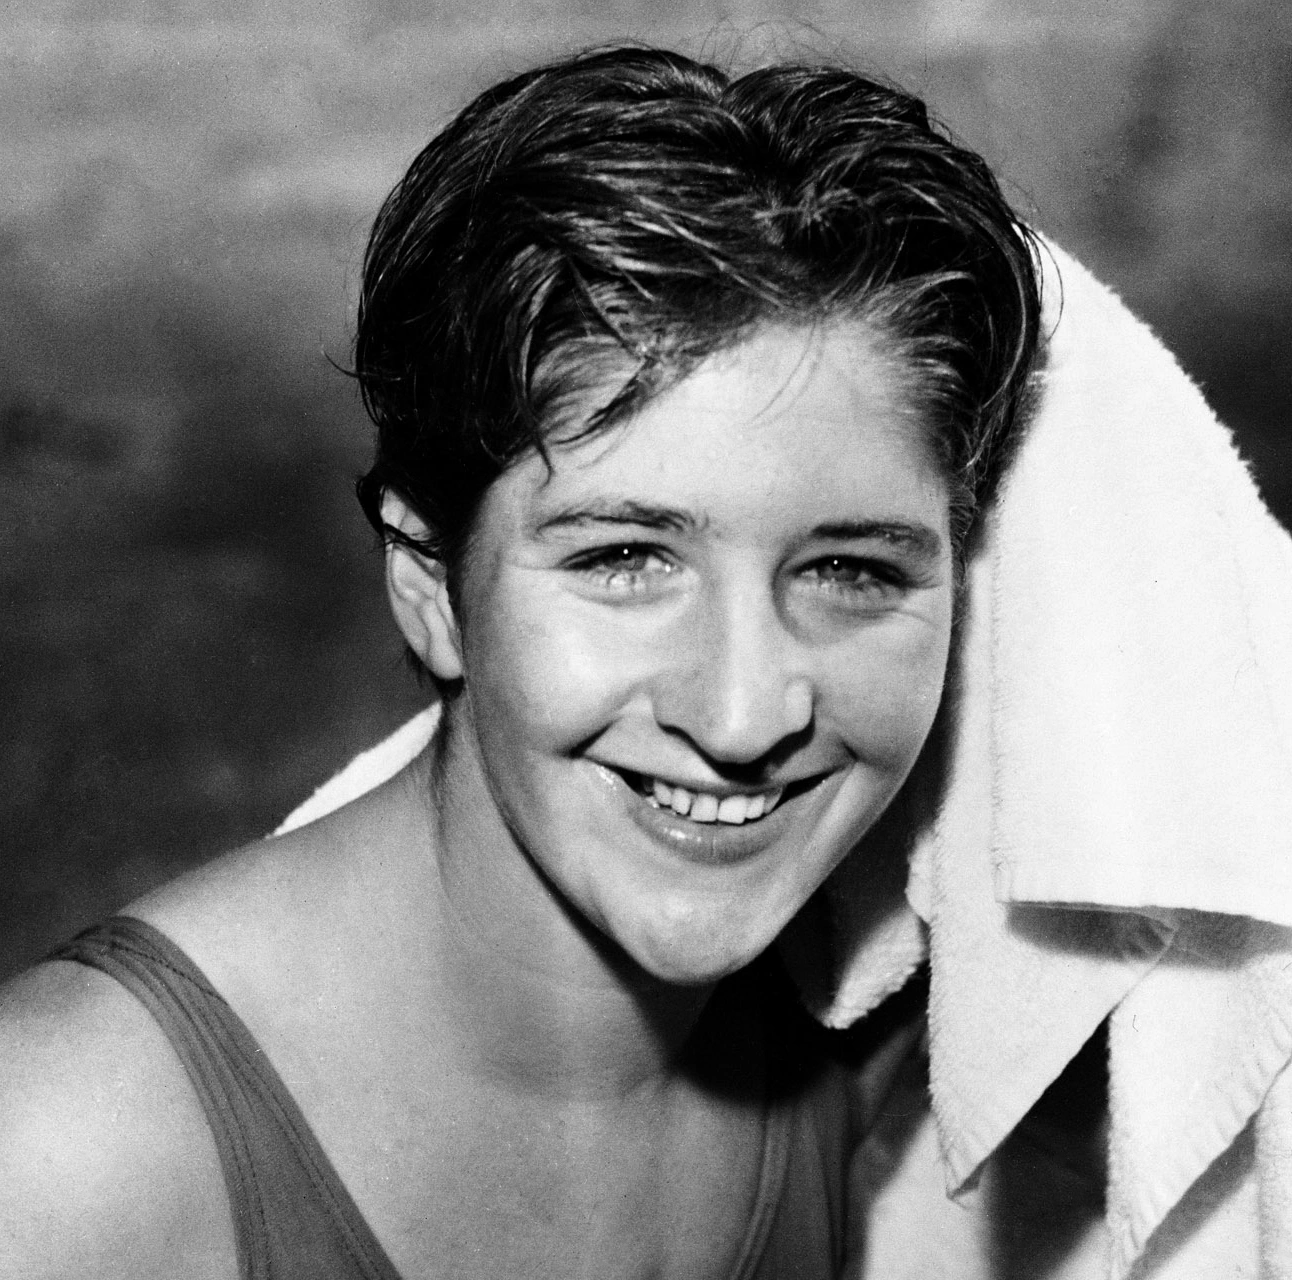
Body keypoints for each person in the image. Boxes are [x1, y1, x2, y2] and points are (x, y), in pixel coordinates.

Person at [3, 45, 1290, 1280]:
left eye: (849, 571)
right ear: (429, 582)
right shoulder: (65, 1151)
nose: (741, 714)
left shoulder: (897, 1039)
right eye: (625, 559)